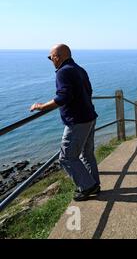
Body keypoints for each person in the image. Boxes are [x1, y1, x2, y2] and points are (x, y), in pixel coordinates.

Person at [30, 44, 101, 201]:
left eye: (51, 57)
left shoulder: (63, 72)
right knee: (87, 154)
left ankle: (87, 187)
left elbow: (63, 97)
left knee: (67, 157)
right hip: (89, 116)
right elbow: (89, 91)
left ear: (58, 56)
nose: (51, 60)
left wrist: (41, 106)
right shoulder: (79, 69)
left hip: (77, 121)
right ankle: (94, 184)